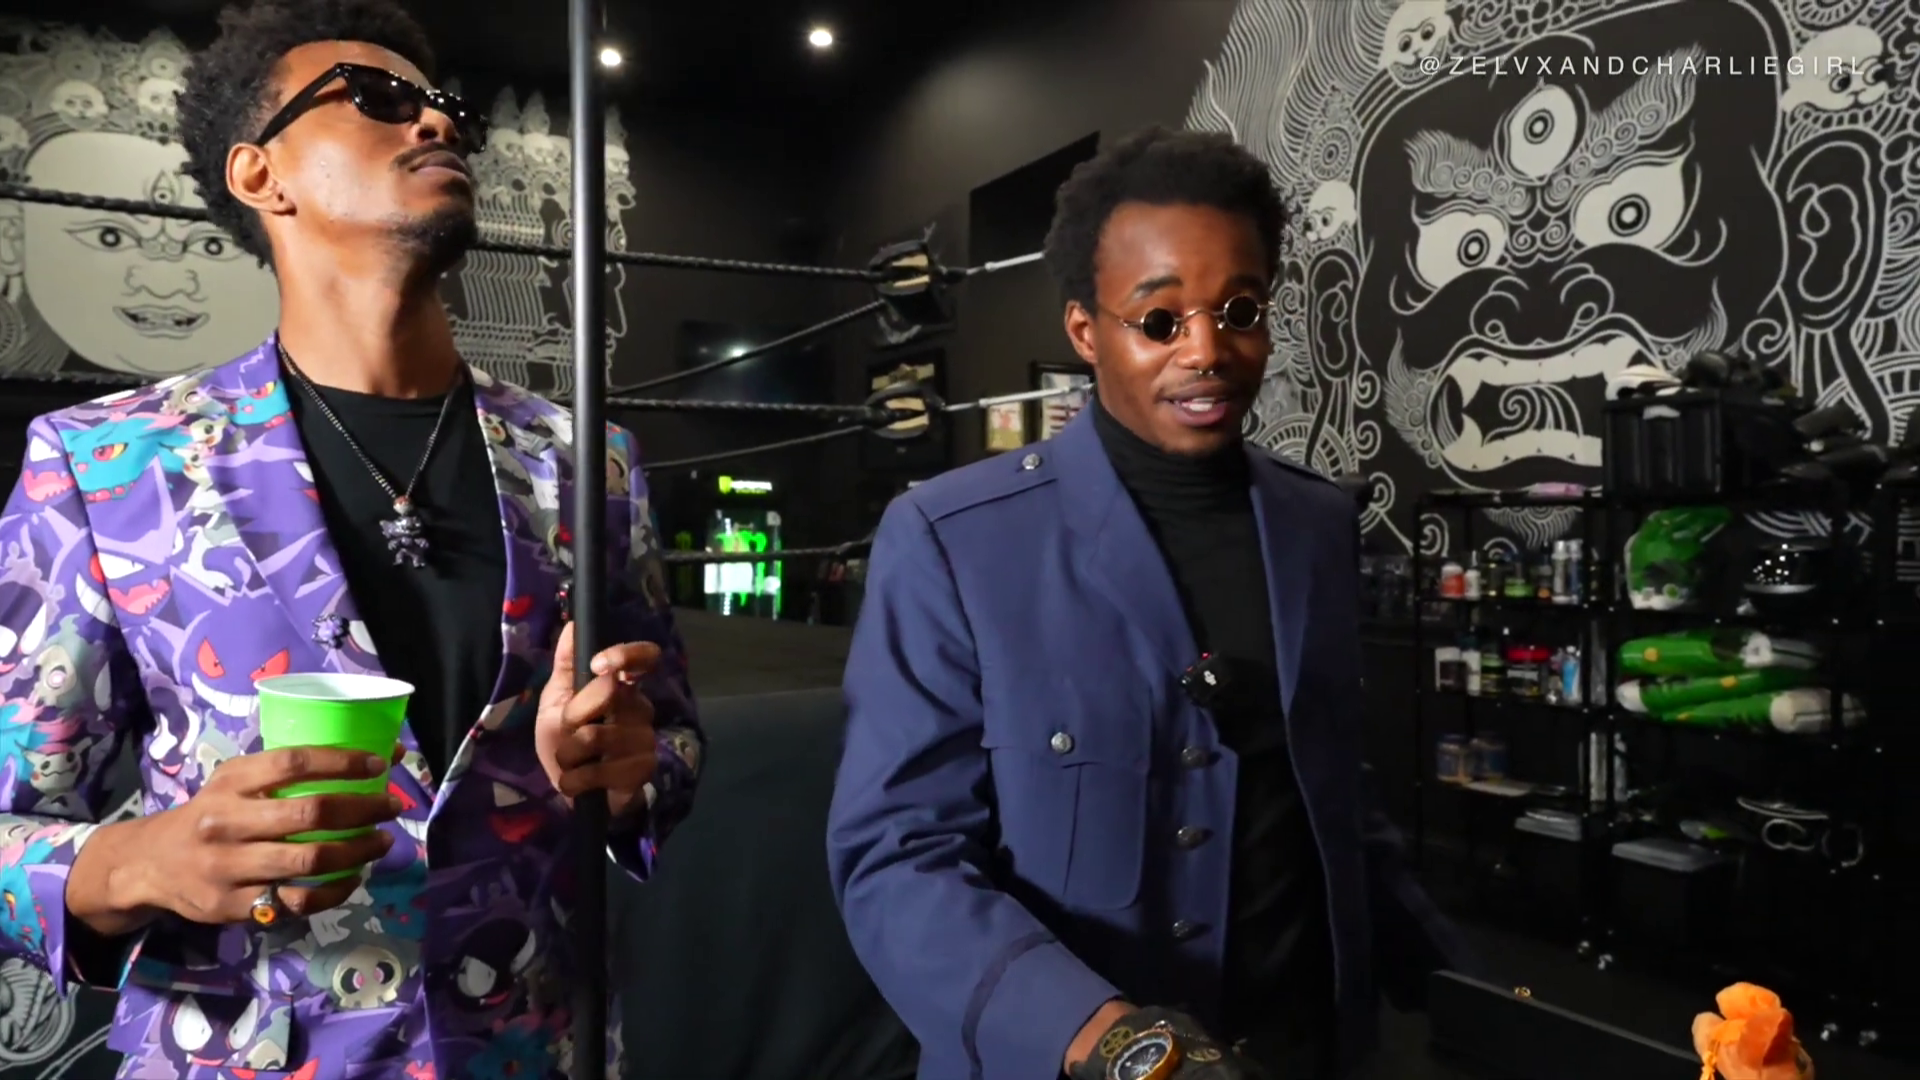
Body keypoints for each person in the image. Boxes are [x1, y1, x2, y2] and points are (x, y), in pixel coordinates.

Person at [0, 2, 703, 1078]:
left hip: (534, 1051)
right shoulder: (109, 464)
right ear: (259, 174)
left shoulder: (586, 460)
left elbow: (671, 745)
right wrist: (142, 861)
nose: (437, 123)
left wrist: (627, 769)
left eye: (446, 106)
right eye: (376, 99)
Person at [826, 126, 1467, 1080]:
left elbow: (1338, 803)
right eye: (1160, 320)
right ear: (1086, 332)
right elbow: (897, 859)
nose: (1207, 351)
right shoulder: (950, 540)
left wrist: (1478, 994)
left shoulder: (1318, 523)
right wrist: (1115, 1042)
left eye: (1239, 310)